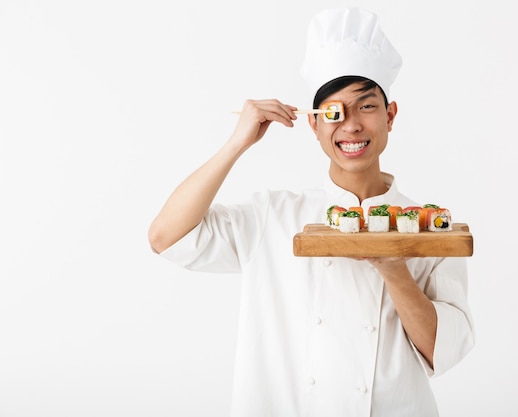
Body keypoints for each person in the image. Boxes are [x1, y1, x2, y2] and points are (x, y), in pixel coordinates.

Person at [148, 7, 474, 417]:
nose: (351, 126)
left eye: (366, 107)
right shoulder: (273, 215)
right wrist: (236, 144)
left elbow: (441, 353)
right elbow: (166, 237)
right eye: (334, 113)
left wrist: (394, 269)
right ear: (314, 125)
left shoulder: (426, 226)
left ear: (390, 116)